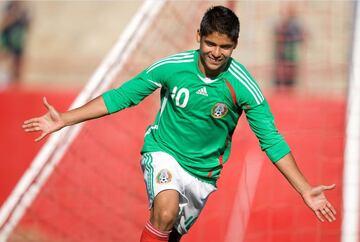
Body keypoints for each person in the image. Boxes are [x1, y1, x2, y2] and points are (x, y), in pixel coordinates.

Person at [23, 6, 336, 242]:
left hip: (202, 176)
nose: (216, 53)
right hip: (163, 152)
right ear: (199, 37)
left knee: (169, 232)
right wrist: (65, 118)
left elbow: (271, 140)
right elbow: (122, 96)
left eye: (224, 47)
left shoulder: (243, 86)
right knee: (166, 211)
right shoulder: (172, 67)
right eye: (210, 43)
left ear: (234, 46)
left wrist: (304, 189)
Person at [273, 4, 304, 89]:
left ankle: (289, 90)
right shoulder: (279, 25)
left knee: (290, 74)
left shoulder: (296, 26)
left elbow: (302, 36)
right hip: (281, 55)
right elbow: (276, 37)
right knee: (281, 75)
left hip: (290, 54)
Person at [0, 0, 30, 83]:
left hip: (18, 39)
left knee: (17, 62)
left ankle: (16, 82)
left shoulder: (24, 9)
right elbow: (4, 22)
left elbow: (27, 24)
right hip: (9, 39)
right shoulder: (9, 6)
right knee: (8, 59)